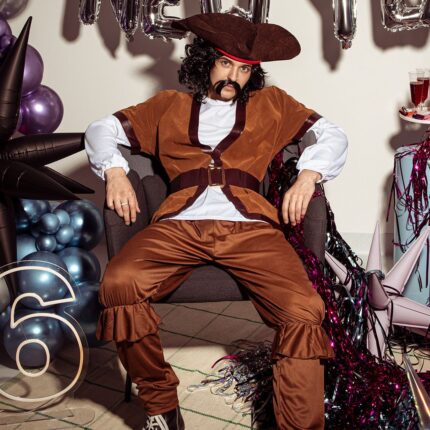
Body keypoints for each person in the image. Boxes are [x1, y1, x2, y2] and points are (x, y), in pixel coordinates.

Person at [85, 13, 347, 430]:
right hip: (178, 225)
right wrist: (115, 171)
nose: (234, 77)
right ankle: (160, 407)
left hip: (252, 228)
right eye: (226, 63)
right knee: (119, 285)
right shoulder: (166, 106)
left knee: (304, 309)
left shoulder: (273, 104)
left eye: (244, 69)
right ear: (205, 60)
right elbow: (102, 129)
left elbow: (332, 133)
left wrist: (308, 176)